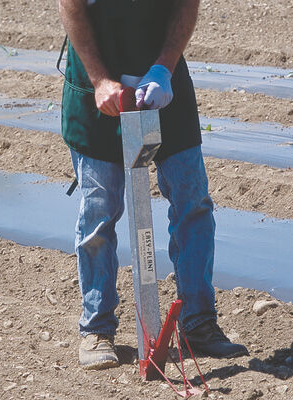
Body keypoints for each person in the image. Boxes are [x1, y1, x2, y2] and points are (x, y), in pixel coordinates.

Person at [58, 0, 248, 370]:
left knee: (193, 205)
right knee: (99, 212)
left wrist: (164, 66)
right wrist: (99, 80)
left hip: (163, 83)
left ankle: (198, 322)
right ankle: (97, 328)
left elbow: (184, 5)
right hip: (98, 89)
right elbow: (71, 7)